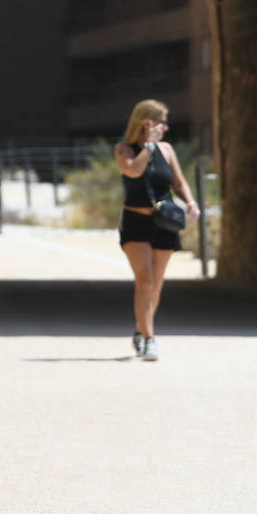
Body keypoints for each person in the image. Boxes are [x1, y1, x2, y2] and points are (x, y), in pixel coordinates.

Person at [114, 99, 199, 362]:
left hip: (164, 223)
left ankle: (141, 329)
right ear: (146, 122)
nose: (166, 127)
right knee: (145, 279)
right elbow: (133, 172)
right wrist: (148, 147)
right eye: (161, 122)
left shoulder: (168, 150)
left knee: (157, 284)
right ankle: (150, 339)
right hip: (136, 222)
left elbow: (178, 182)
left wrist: (191, 202)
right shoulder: (124, 149)